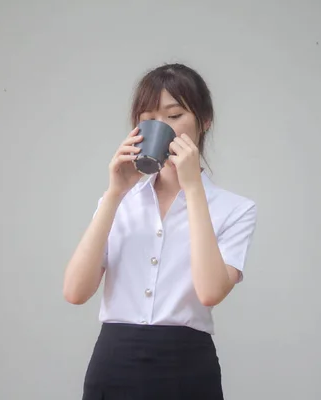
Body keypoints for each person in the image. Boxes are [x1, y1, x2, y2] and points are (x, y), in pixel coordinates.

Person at [63, 63, 257, 400]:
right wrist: (113, 194)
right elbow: (75, 292)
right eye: (148, 117)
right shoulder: (118, 201)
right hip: (113, 362)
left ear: (204, 120)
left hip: (187, 365)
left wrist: (193, 189)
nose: (161, 127)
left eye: (175, 114)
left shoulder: (235, 209)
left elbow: (210, 292)